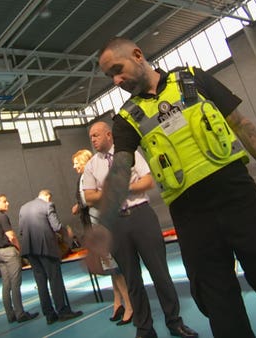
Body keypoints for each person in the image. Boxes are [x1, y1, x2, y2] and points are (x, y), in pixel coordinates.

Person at [94, 37, 256, 338]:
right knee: (220, 308)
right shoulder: (126, 119)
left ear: (138, 55)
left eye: (118, 69)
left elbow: (242, 126)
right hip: (192, 220)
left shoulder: (194, 79)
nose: (116, 80)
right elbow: (121, 170)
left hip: (240, 201)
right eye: (109, 76)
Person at [85, 121, 198, 337]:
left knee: (160, 273)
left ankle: (174, 322)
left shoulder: (130, 154)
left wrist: (123, 188)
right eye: (91, 136)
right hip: (115, 224)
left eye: (96, 135)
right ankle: (144, 328)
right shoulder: (91, 165)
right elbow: (89, 196)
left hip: (141, 215)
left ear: (109, 135)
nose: (93, 139)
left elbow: (148, 181)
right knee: (131, 278)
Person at [72, 145, 134, 326]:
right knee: (111, 268)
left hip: (101, 223)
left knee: (115, 268)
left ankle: (129, 306)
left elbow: (87, 199)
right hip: (95, 221)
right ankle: (118, 303)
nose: (75, 166)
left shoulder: (89, 176)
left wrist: (80, 204)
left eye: (77, 163)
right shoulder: (84, 178)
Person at [18, 190, 83, 325]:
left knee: (41, 282)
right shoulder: (48, 205)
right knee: (55, 279)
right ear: (47, 196)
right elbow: (56, 226)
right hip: (46, 248)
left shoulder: (23, 208)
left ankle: (49, 314)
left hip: (29, 250)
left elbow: (21, 231)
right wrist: (67, 233)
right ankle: (63, 311)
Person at [0, 194, 38, 323]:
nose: (7, 203)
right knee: (15, 283)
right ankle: (20, 313)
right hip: (8, 252)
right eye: (4, 201)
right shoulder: (2, 216)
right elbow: (11, 235)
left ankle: (10, 314)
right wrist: (18, 248)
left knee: (6, 284)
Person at [71, 149, 94, 228]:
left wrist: (79, 206)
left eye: (76, 163)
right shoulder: (80, 178)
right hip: (87, 219)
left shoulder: (94, 174)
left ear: (84, 162)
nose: (74, 166)